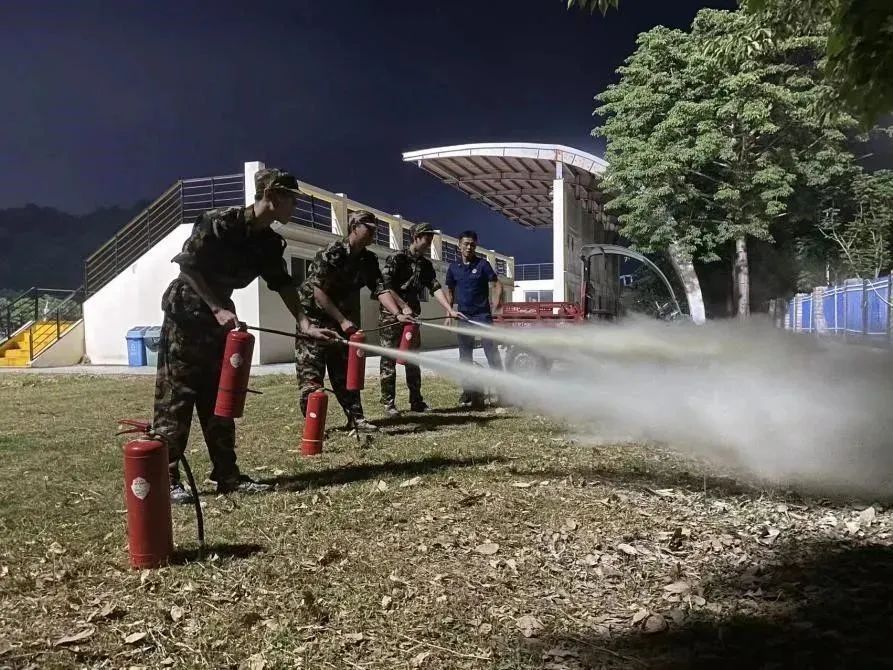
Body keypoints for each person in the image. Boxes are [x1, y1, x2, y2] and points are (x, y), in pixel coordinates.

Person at [154, 168, 338, 505]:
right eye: (291, 199)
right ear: (271, 195)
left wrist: (305, 323)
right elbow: (188, 266)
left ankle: (228, 476)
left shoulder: (268, 243)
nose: (295, 207)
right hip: (187, 314)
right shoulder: (219, 222)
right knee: (177, 398)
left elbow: (282, 283)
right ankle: (166, 478)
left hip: (221, 319)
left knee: (220, 398)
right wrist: (215, 308)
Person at [296, 210, 410, 433]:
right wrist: (342, 320)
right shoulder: (332, 252)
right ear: (354, 227)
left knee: (346, 373)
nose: (374, 233)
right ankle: (314, 429)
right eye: (369, 228)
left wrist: (397, 313)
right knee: (311, 376)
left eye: (376, 229)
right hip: (314, 319)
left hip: (342, 322)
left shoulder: (368, 260)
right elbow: (318, 291)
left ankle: (357, 420)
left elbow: (380, 289)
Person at [378, 222, 460, 415]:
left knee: (413, 359)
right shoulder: (397, 258)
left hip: (412, 319)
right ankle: (388, 403)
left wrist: (449, 309)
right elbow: (386, 286)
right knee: (389, 359)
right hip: (392, 317)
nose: (430, 243)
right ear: (416, 237)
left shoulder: (425, 265)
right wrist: (402, 306)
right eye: (427, 239)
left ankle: (416, 401)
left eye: (431, 239)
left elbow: (435, 287)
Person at [443, 230, 504, 409]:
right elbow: (450, 292)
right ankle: (468, 392)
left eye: (472, 244)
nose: (469, 247)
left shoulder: (483, 264)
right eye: (466, 244)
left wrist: (497, 301)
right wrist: (448, 313)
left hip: (483, 316)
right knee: (465, 356)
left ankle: (502, 391)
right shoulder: (453, 268)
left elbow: (496, 283)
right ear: (459, 245)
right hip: (463, 317)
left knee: (492, 353)